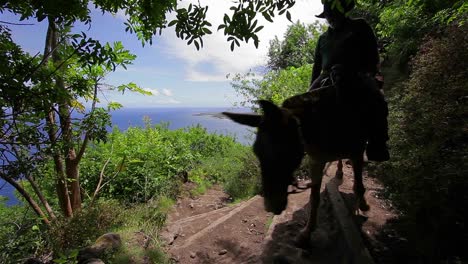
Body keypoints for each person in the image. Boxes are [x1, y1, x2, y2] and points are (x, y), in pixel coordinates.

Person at [310, 0, 390, 161]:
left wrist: (370, 72)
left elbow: (373, 53)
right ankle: (308, 145)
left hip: (356, 74)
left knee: (378, 100)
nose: (330, 18)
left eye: (333, 14)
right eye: (327, 15)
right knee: (304, 106)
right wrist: (310, 89)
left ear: (343, 12)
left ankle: (377, 144)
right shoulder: (322, 39)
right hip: (326, 76)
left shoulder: (359, 26)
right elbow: (317, 66)